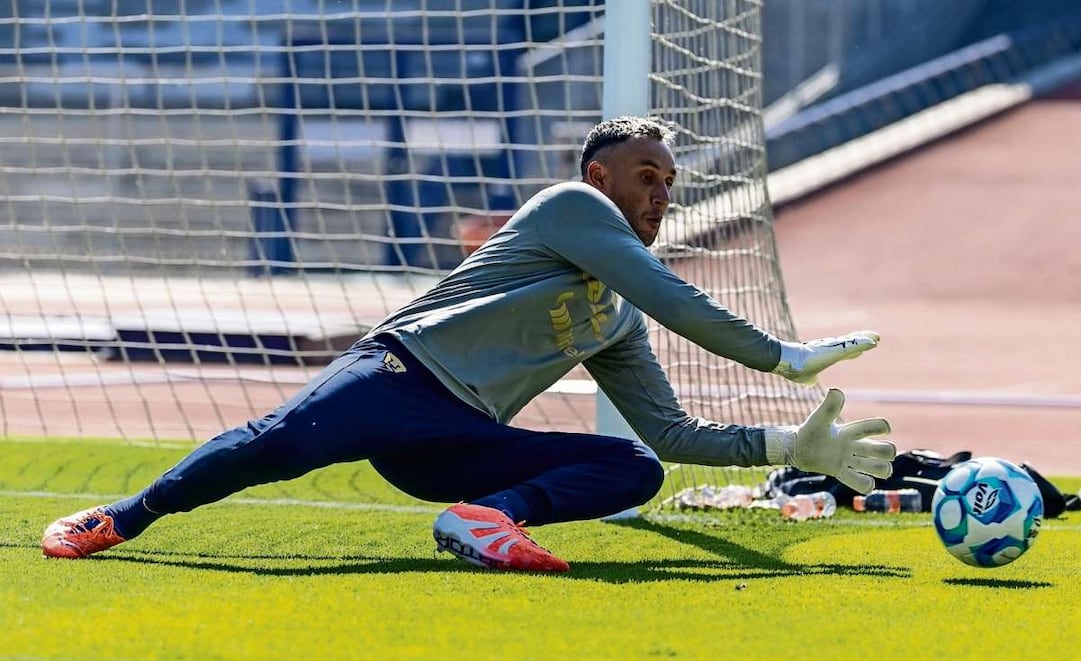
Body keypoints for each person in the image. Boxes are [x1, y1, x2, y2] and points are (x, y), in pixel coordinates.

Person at [41, 116, 895, 573]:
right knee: (279, 447)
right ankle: (121, 518)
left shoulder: (617, 318)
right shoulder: (569, 207)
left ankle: (487, 518)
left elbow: (670, 433)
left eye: (669, 181)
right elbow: (673, 297)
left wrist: (788, 446)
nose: (660, 193)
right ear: (598, 178)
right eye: (646, 176)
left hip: (456, 439)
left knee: (633, 468)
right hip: (396, 375)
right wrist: (779, 357)